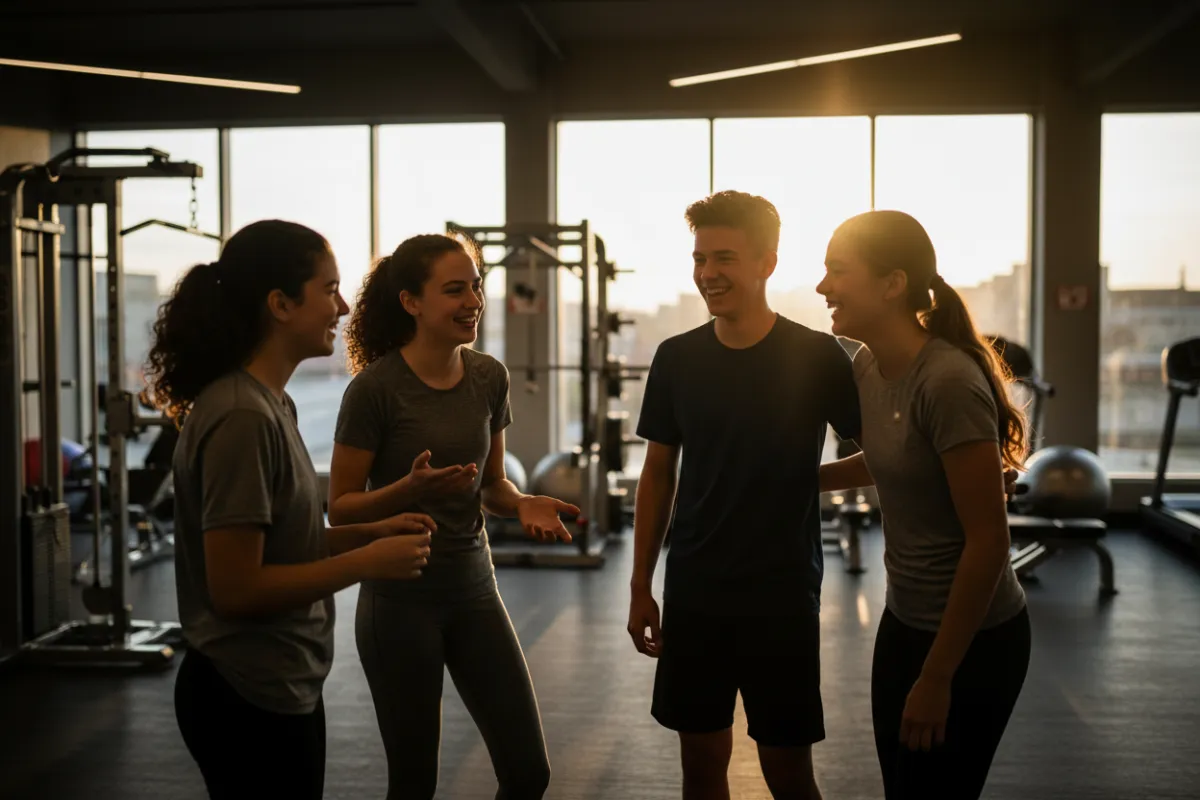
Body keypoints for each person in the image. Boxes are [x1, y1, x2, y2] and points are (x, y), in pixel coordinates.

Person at [144, 219, 437, 800]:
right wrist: (368, 563)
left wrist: (370, 534)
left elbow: (286, 543)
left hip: (280, 684)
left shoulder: (272, 403)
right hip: (242, 693)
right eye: (329, 289)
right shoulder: (242, 417)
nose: (346, 305)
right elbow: (237, 588)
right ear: (280, 303)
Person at [327, 233, 578, 800]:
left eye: (476, 286)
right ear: (412, 302)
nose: (473, 300)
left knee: (528, 773)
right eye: (454, 289)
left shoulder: (489, 376)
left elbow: (492, 486)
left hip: (474, 593)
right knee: (414, 783)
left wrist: (521, 502)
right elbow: (339, 509)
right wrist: (406, 488)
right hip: (399, 604)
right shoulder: (374, 390)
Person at [628, 190, 861, 800]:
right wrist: (639, 586)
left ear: (767, 263)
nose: (708, 273)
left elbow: (887, 453)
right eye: (700, 259)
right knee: (701, 766)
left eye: (724, 258)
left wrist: (808, 480)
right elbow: (658, 476)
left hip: (780, 595)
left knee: (788, 772)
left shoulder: (817, 356)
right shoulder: (675, 358)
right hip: (695, 591)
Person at [816, 209, 1032, 800]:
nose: (822, 287)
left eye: (838, 271)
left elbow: (989, 542)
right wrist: (800, 481)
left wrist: (938, 676)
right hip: (904, 620)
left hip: (974, 641)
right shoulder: (867, 364)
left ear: (893, 283)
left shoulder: (947, 381)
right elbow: (896, 460)